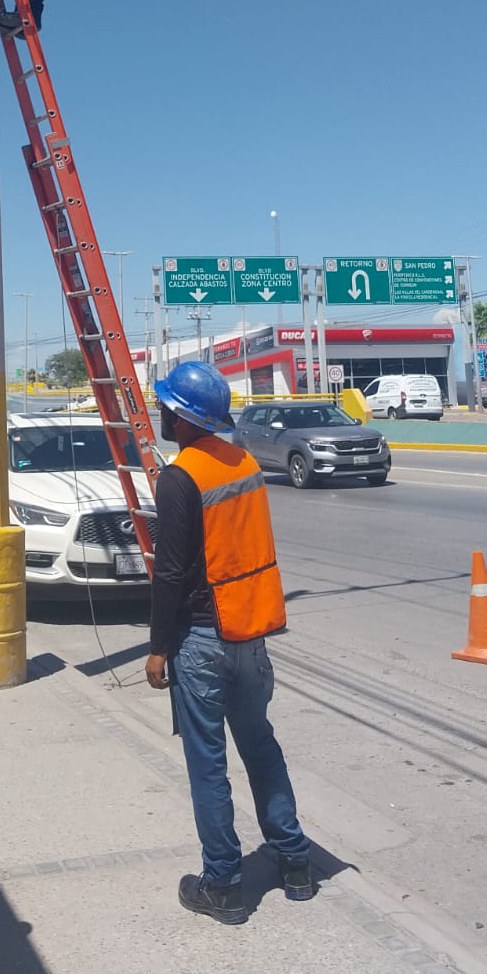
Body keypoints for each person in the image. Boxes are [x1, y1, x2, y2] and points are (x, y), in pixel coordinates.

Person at [145, 360, 315, 925]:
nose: (162, 413)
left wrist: (157, 647)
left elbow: (169, 574)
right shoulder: (242, 462)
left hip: (201, 637)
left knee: (208, 764)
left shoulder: (180, 477)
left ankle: (222, 883)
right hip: (251, 633)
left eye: (168, 406)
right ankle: (294, 861)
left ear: (186, 417)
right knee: (260, 746)